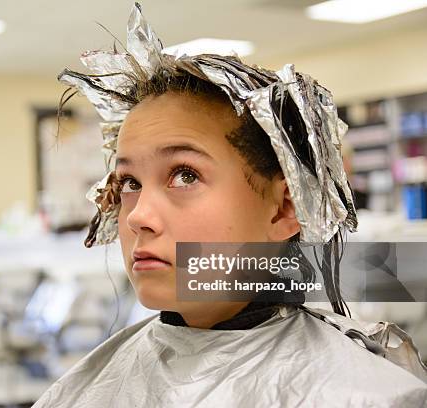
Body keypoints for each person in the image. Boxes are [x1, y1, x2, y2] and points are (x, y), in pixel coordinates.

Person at [33, 3, 427, 407]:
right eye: (130, 182)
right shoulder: (81, 390)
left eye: (185, 174)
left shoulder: (371, 397)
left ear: (284, 209)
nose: (137, 217)